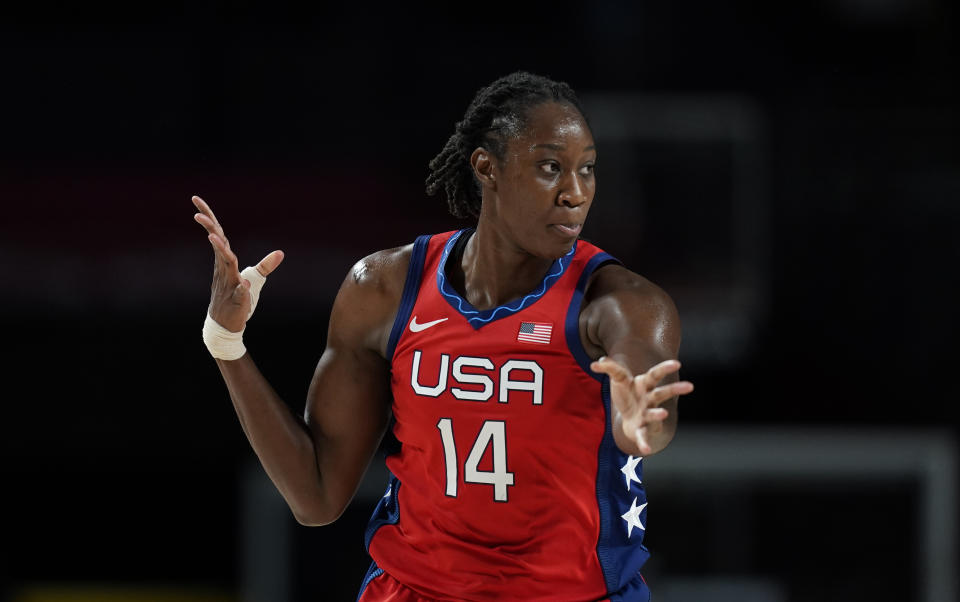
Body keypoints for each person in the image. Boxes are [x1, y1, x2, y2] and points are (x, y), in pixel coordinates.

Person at [192, 71, 693, 601]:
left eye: (587, 170)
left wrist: (645, 423)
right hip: (415, 590)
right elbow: (315, 496)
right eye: (552, 167)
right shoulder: (383, 289)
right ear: (486, 167)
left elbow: (646, 402)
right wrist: (226, 342)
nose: (575, 192)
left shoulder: (620, 302)